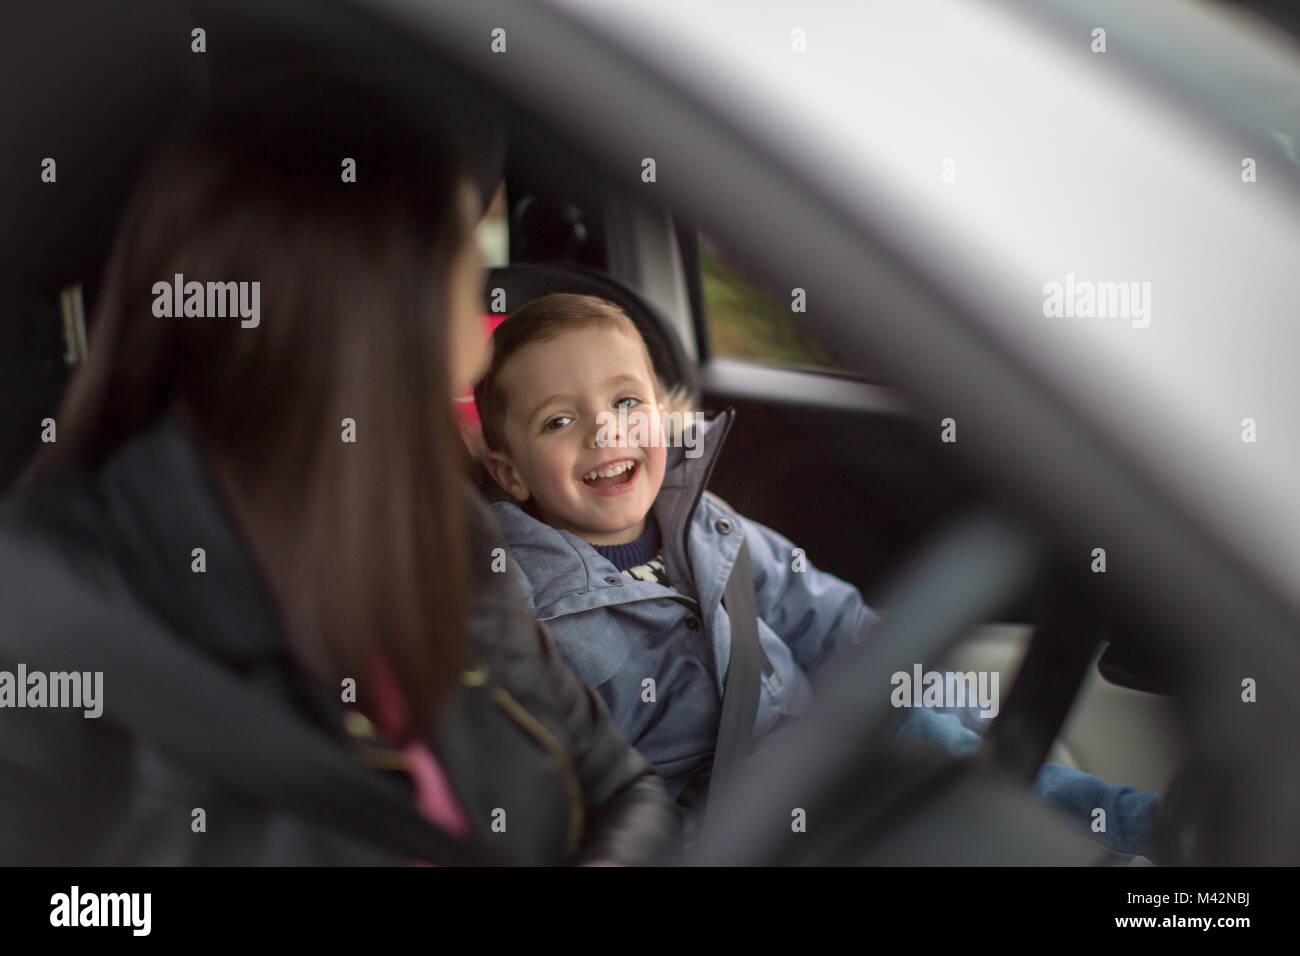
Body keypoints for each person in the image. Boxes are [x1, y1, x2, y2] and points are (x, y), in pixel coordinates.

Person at [0, 71, 677, 865]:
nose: (482, 343)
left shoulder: (442, 534)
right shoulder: (44, 648)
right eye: (466, 287)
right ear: (371, 327)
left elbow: (626, 791)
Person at [473, 292, 1163, 858]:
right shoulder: (526, 610)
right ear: (510, 472)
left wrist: (952, 705)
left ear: (661, 411)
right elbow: (587, 798)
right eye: (560, 420)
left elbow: (825, 617)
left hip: (826, 746)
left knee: (963, 753)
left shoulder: (707, 522)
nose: (605, 431)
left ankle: (1162, 840)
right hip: (738, 830)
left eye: (626, 402)